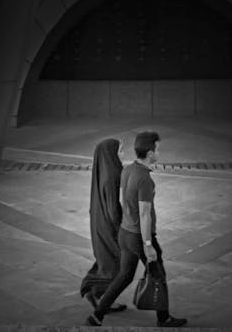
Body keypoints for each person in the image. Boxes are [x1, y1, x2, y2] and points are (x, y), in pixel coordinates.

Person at [85, 130, 187, 327]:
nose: (159, 152)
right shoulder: (145, 180)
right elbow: (144, 214)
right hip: (140, 236)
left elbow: (125, 201)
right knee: (158, 274)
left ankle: (96, 316)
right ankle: (163, 318)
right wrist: (148, 244)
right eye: (158, 149)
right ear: (150, 153)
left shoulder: (127, 170)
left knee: (124, 276)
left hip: (125, 234)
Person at [80, 138, 128, 313]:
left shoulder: (103, 170)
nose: (123, 155)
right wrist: (122, 229)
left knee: (106, 260)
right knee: (118, 264)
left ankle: (97, 293)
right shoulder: (112, 175)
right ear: (111, 154)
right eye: (121, 151)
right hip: (108, 225)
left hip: (99, 222)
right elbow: (113, 210)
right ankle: (96, 292)